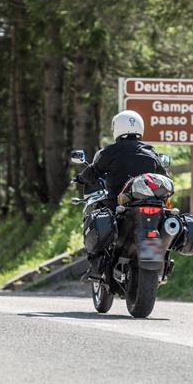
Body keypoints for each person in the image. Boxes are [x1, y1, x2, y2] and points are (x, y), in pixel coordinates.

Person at [74, 110, 167, 281]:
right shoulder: (152, 153)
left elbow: (92, 173)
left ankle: (96, 264)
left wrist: (80, 178)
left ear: (117, 128)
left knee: (95, 215)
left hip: (117, 203)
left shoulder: (109, 152)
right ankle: (164, 262)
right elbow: (164, 178)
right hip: (151, 205)